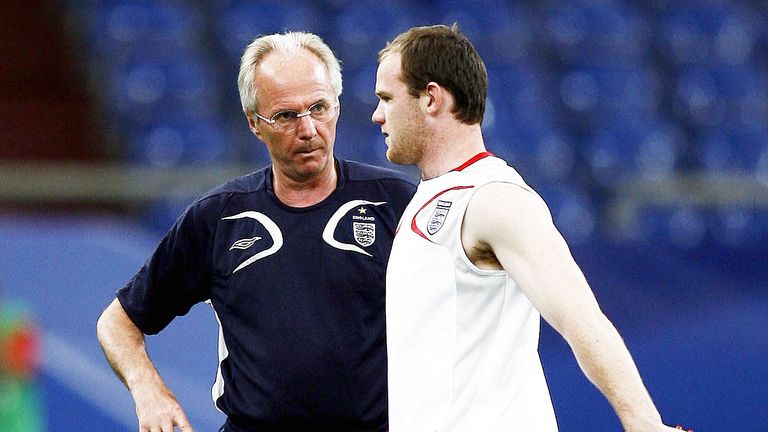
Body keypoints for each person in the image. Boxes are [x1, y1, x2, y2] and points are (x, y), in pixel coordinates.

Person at [372, 24, 689, 432]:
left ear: (431, 98)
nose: (377, 114)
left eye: (386, 98)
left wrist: (643, 423)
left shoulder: (494, 197)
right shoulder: (432, 196)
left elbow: (581, 319)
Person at [97, 31, 415, 432]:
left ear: (336, 105)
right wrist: (149, 391)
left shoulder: (397, 203)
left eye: (319, 107)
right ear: (253, 122)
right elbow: (116, 323)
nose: (309, 129)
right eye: (285, 115)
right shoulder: (219, 218)